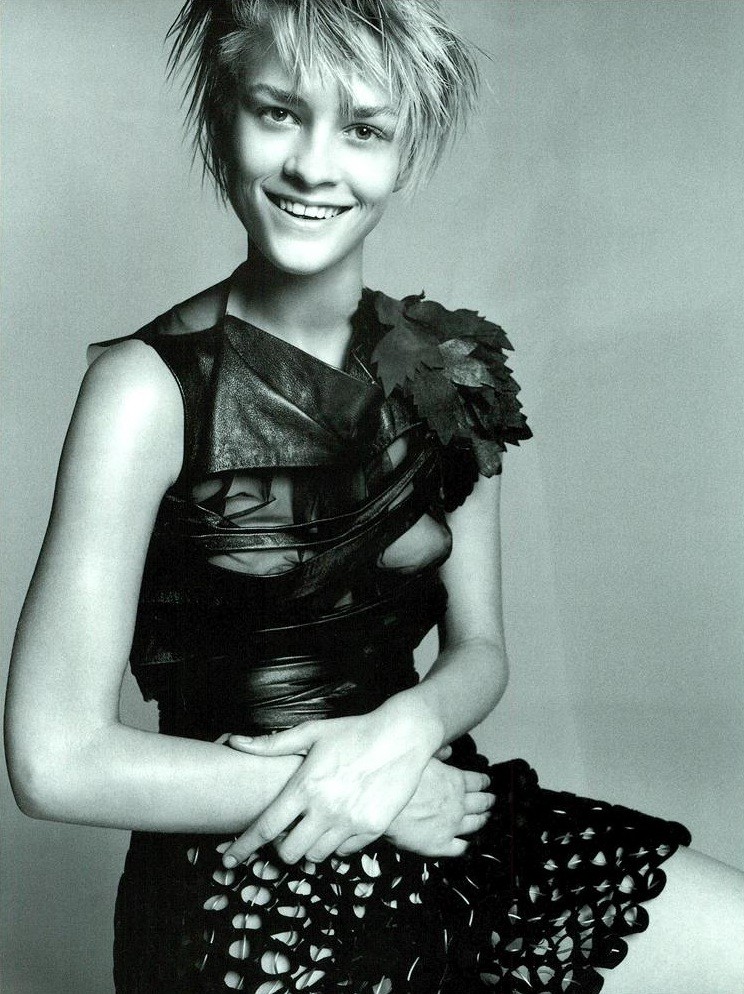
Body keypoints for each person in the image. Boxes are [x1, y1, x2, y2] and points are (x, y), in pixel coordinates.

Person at [5, 1, 744, 992]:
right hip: (252, 884)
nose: (315, 165)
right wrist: (367, 791)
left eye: (362, 128)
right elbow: (53, 762)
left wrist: (402, 735)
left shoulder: (456, 369)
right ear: (223, 115)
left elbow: (480, 651)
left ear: (405, 152)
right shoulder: (143, 392)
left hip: (450, 814)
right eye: (279, 112)